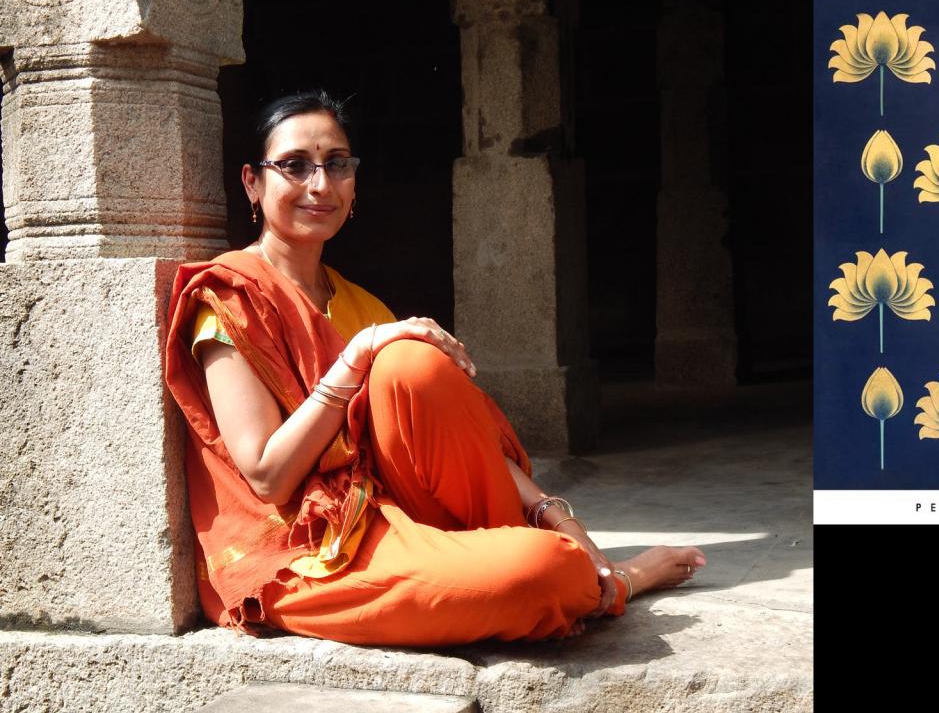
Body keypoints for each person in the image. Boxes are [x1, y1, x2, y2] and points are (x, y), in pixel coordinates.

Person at [163, 90, 705, 646]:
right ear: (253, 183)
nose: (320, 185)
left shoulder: (361, 305)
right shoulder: (229, 297)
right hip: (301, 553)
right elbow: (267, 476)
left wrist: (557, 515)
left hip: (384, 513)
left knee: (411, 365)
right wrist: (356, 356)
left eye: (337, 165)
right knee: (545, 571)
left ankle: (563, 564)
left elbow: (461, 445)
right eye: (295, 166)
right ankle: (612, 585)